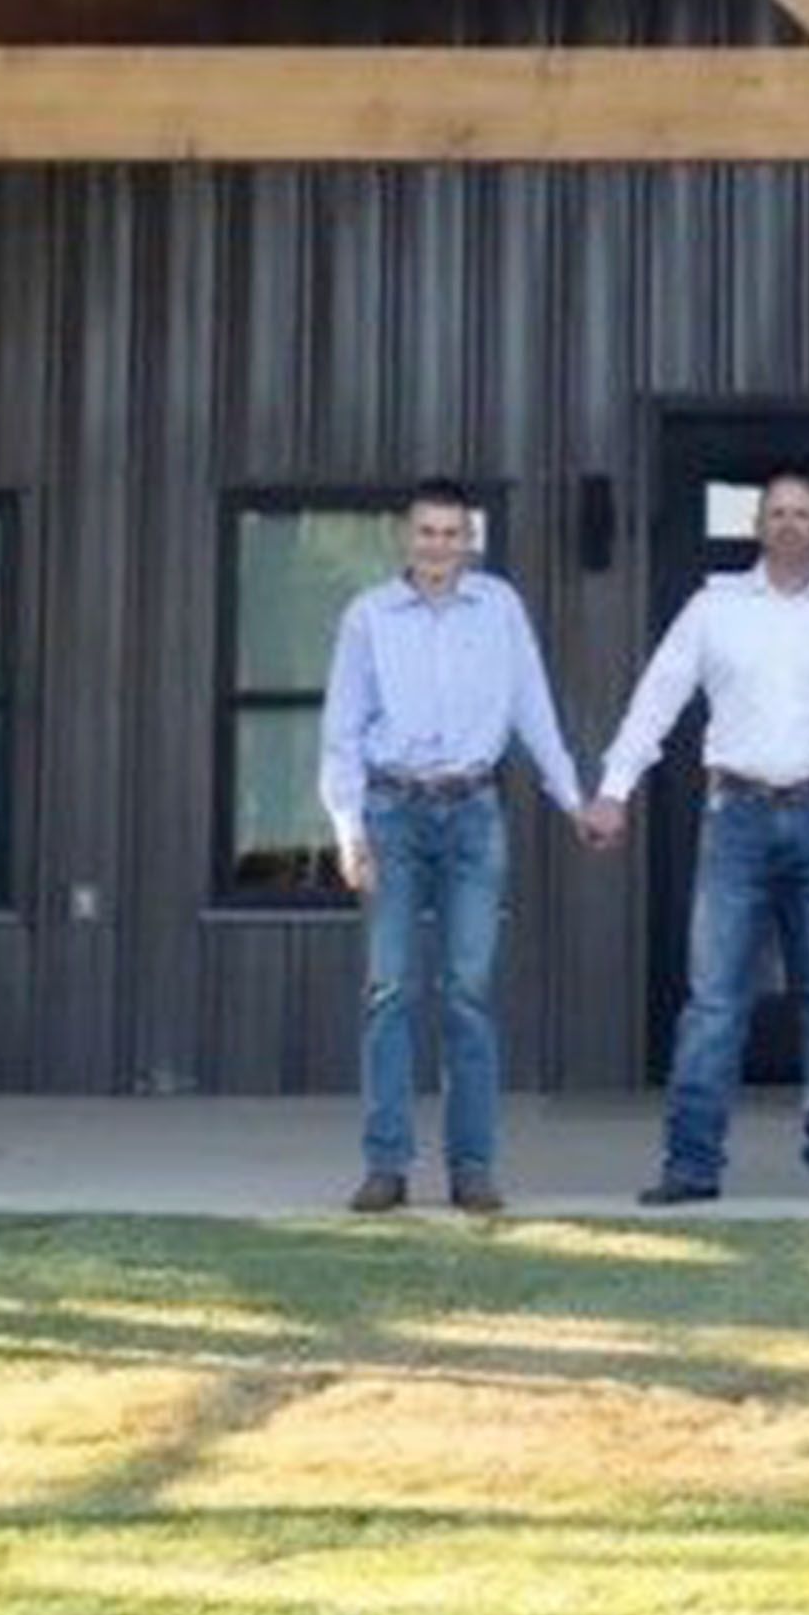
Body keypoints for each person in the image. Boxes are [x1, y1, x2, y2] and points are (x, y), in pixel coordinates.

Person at [581, 473, 809, 1205]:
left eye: (801, 514)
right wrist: (614, 789)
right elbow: (658, 698)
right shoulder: (713, 610)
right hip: (737, 820)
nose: (788, 524)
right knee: (715, 1000)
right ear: (758, 524)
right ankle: (691, 1166)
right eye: (776, 512)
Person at [319, 477, 584, 1216]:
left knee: (468, 995)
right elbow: (340, 733)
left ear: (470, 542)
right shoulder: (367, 617)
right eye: (427, 532)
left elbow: (534, 707)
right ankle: (386, 1165)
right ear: (407, 538)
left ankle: (473, 1167)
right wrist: (348, 831)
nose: (440, 546)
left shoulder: (499, 609)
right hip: (393, 813)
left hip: (472, 812)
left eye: (452, 533)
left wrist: (572, 800)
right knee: (390, 989)